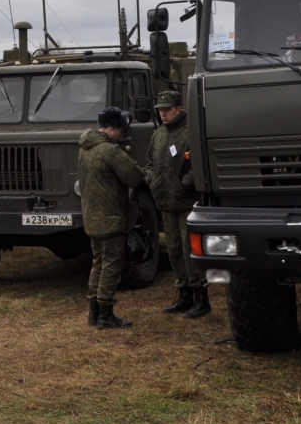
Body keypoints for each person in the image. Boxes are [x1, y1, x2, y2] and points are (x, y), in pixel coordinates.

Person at [78, 106, 146, 330]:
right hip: (111, 219)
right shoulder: (109, 151)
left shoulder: (85, 148)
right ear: (114, 128)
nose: (121, 134)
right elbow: (134, 176)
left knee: (97, 264)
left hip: (92, 218)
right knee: (111, 266)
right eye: (120, 129)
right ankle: (106, 315)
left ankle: (94, 312)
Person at [149, 90, 209, 319]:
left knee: (189, 250)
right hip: (165, 203)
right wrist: (151, 179)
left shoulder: (190, 132)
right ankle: (183, 294)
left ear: (178, 108)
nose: (163, 114)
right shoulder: (159, 135)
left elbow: (199, 163)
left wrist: (185, 184)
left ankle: (201, 297)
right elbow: (149, 162)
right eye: (160, 110)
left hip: (185, 202)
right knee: (174, 250)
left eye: (167, 109)